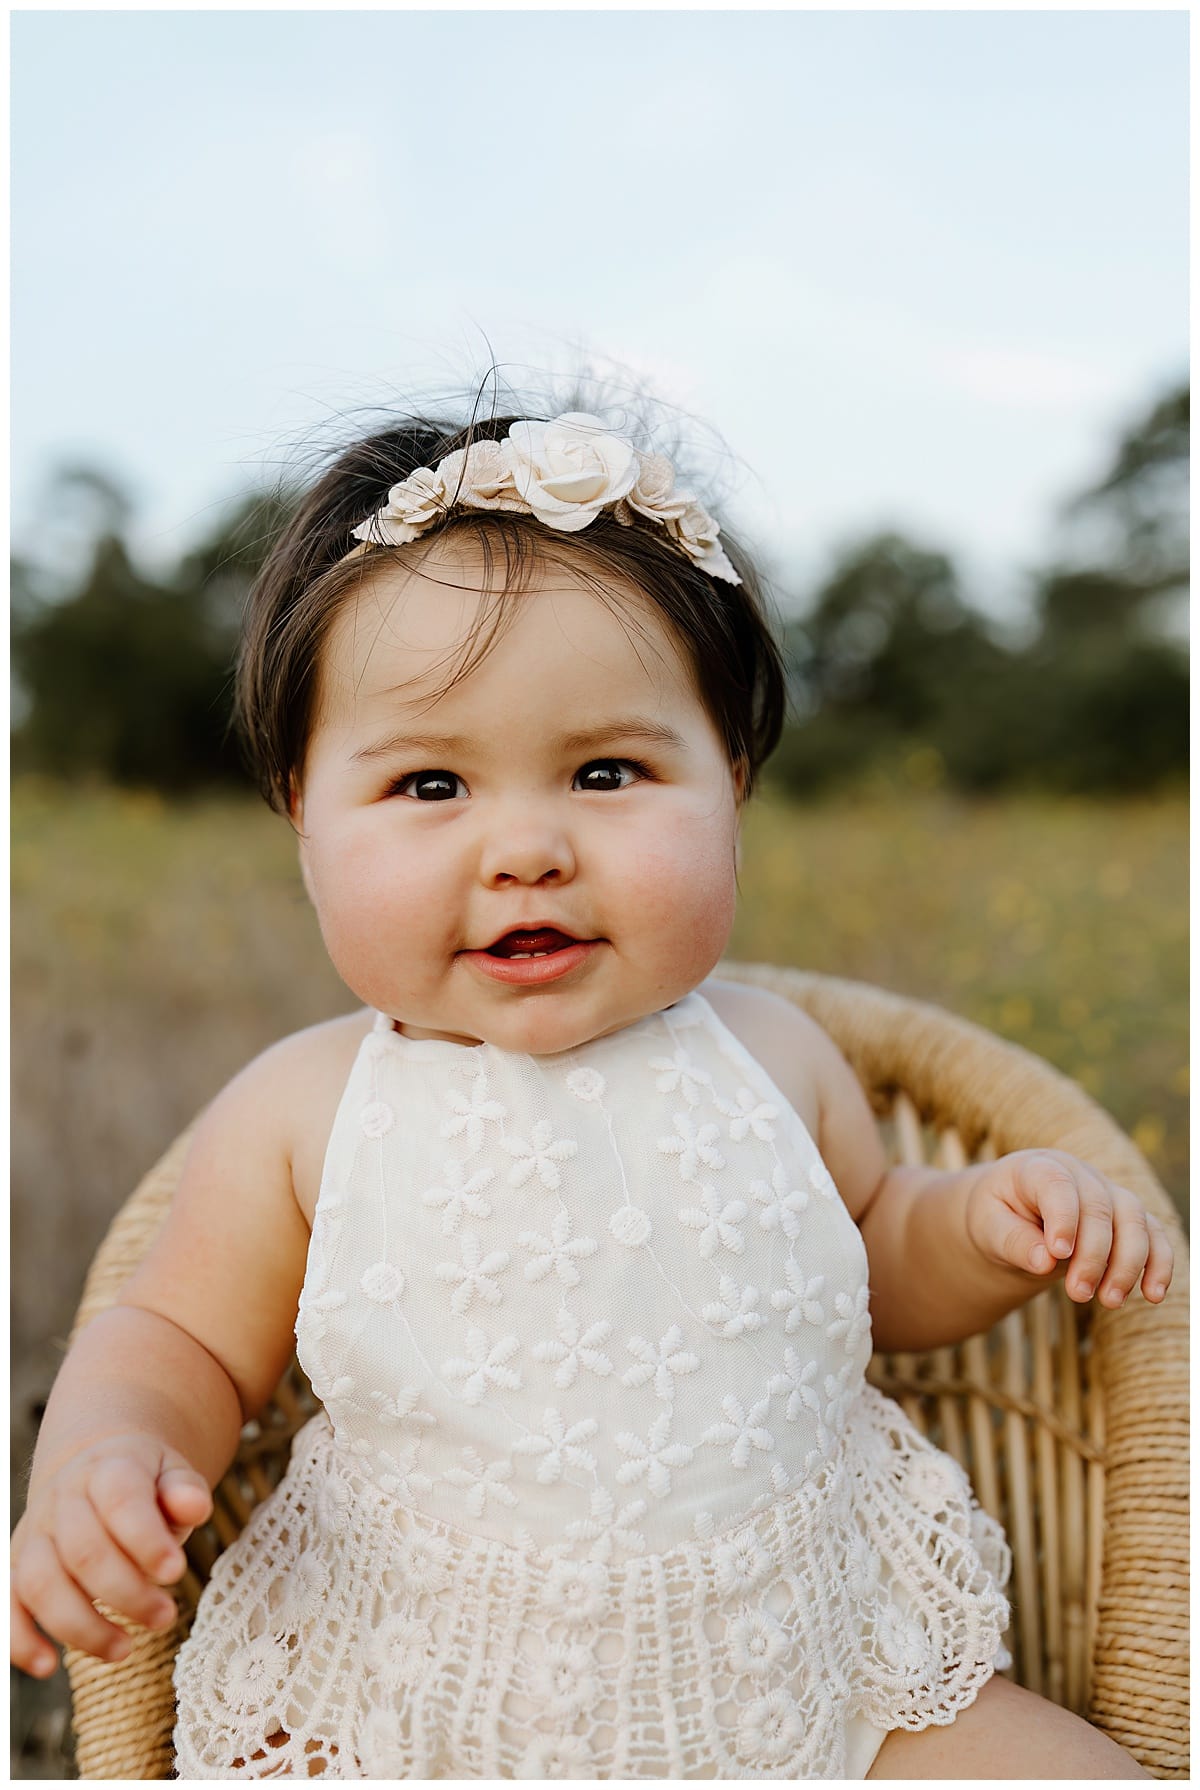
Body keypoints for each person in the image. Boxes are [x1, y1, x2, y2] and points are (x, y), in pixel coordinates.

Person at [11, 401, 1172, 1779]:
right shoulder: (307, 1109)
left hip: (817, 1665)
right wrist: (107, 1451)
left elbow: (871, 1256)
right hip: (428, 1704)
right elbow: (182, 1339)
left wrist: (984, 1224)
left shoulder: (774, 1053)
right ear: (301, 814)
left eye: (608, 771)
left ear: (730, 788)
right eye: (431, 781)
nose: (528, 847)